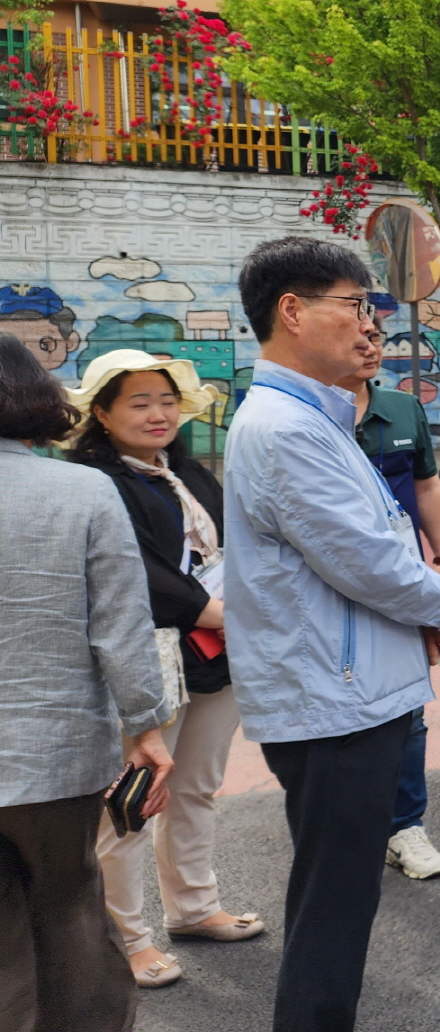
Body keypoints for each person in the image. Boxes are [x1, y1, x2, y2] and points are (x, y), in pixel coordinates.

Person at [223, 236, 440, 1031]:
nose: (371, 327)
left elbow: (380, 539)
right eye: (356, 306)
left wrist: (425, 607)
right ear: (292, 312)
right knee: (334, 906)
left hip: (349, 688)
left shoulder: (314, 417)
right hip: (334, 701)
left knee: (339, 896)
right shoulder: (289, 429)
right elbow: (365, 560)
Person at [67, 351, 263, 987]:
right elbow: (126, 572)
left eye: (166, 401)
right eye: (138, 403)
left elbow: (229, 548)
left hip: (214, 653)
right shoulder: (95, 482)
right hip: (147, 660)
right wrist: (212, 610)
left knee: (197, 788)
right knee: (132, 803)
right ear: (101, 413)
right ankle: (127, 938)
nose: (158, 415)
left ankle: (194, 909)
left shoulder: (189, 472)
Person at [0, 333, 172, 1032]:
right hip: (57, 753)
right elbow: (121, 627)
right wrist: (147, 727)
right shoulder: (82, 490)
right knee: (69, 906)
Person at [339, 319, 440, 881]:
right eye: (357, 337)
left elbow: (426, 485)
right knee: (341, 708)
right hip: (333, 589)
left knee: (409, 705)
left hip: (402, 584)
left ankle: (405, 826)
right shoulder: (304, 417)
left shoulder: (403, 408)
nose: (370, 347)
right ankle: (344, 826)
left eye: (377, 339)